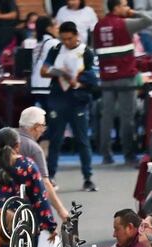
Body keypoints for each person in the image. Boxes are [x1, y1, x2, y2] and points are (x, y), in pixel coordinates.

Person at [92, 0, 152, 165]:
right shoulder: (125, 24)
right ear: (116, 7)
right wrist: (133, 12)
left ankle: (106, 154)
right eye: (124, 5)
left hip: (106, 78)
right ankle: (128, 154)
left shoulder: (98, 26)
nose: (126, 8)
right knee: (128, 117)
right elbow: (149, 20)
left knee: (107, 117)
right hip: (126, 78)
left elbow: (95, 49)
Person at [0, 107, 72, 220]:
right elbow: (45, 184)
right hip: (25, 209)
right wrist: (60, 210)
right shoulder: (34, 149)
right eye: (43, 126)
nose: (44, 130)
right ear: (36, 127)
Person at [41, 21, 97, 192]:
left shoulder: (86, 52)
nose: (66, 42)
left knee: (82, 140)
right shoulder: (56, 49)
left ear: (77, 36)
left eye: (70, 39)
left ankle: (88, 178)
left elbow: (93, 78)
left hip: (77, 100)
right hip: (57, 99)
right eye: (63, 39)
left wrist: (78, 80)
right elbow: (43, 71)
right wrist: (60, 72)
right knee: (55, 139)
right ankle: (50, 176)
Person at [0, 128, 55, 237]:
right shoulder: (28, 166)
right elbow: (40, 198)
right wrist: (49, 226)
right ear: (18, 146)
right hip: (25, 225)